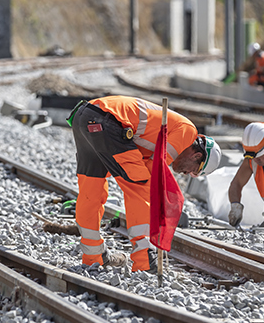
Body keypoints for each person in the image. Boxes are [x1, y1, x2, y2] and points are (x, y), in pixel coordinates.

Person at [70, 96, 222, 272]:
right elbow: (155, 169)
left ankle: (92, 256)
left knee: (91, 190)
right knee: (141, 185)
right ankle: (144, 259)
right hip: (108, 120)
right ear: (196, 156)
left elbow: (143, 159)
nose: (186, 173)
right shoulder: (187, 132)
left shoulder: (160, 134)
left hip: (85, 115)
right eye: (193, 170)